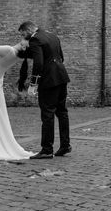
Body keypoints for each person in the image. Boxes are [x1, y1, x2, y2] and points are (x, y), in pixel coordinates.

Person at [18, 21, 71, 159]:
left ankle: (47, 149)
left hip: (49, 81)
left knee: (47, 114)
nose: (24, 37)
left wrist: (33, 84)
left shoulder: (35, 39)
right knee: (62, 112)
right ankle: (65, 145)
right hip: (61, 76)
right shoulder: (52, 36)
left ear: (29, 29)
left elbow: (39, 62)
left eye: (24, 34)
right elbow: (61, 57)